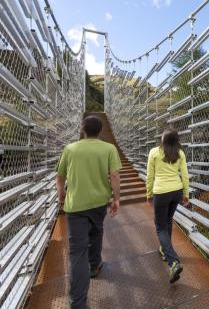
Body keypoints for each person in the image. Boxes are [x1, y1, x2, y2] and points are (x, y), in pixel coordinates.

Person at [56, 115, 122, 309]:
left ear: (82, 130)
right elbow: (115, 175)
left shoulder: (70, 149)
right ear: (100, 131)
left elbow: (60, 177)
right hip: (99, 202)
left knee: (77, 252)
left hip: (75, 205)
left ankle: (78, 303)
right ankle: (94, 265)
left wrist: (61, 195)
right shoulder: (109, 149)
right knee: (97, 230)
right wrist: (116, 199)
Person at [146, 128, 189, 283]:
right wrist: (186, 194)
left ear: (162, 140)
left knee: (160, 226)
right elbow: (184, 174)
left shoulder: (154, 152)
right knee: (168, 221)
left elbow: (150, 175)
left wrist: (149, 193)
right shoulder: (180, 153)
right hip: (176, 192)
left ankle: (173, 261)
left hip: (161, 192)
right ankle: (165, 251)